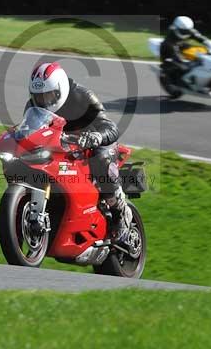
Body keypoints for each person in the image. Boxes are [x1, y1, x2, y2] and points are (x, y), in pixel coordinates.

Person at [26, 62, 134, 251]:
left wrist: (97, 136)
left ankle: (119, 211)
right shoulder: (33, 106)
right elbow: (29, 133)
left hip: (94, 143)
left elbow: (110, 127)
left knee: (101, 158)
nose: (43, 100)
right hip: (63, 147)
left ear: (60, 90)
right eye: (38, 96)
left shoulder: (82, 97)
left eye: (48, 95)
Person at [160, 16, 210, 88]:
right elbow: (175, 52)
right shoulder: (170, 38)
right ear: (176, 28)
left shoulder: (188, 30)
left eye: (187, 31)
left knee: (201, 51)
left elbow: (198, 36)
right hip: (168, 50)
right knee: (180, 66)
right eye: (183, 31)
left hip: (182, 45)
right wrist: (183, 61)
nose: (185, 33)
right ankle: (176, 82)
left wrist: (206, 42)